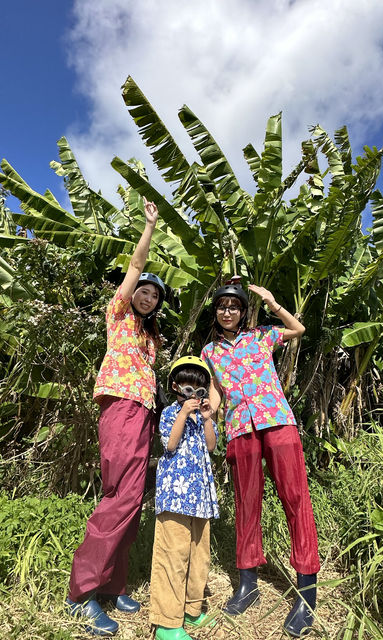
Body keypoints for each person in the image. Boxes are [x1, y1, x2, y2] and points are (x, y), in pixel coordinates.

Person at [66, 198, 165, 637]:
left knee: (132, 499)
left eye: (155, 295)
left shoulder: (150, 338)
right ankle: (81, 593)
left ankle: (113, 585)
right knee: (117, 497)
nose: (148, 296)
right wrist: (148, 227)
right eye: (145, 289)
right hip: (120, 406)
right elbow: (135, 264)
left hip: (142, 413)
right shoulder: (120, 315)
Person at [201, 280, 320, 638]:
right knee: (246, 503)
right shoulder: (209, 352)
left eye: (233, 306)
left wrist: (272, 301)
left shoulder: (262, 335)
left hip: (276, 419)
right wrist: (208, 412)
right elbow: (217, 393)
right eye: (222, 306)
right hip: (239, 428)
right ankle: (248, 582)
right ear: (216, 312)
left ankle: (307, 591)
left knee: (295, 498)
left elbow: (298, 330)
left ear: (243, 311)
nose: (227, 312)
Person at [149, 356, 219, 640]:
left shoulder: (202, 417)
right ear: (176, 387)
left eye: (198, 389)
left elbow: (212, 446)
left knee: (198, 556)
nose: (192, 394)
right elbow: (170, 443)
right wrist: (182, 413)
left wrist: (206, 419)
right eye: (186, 388)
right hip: (174, 495)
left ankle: (192, 609)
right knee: (172, 554)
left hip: (200, 496)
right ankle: (167, 622)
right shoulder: (168, 412)